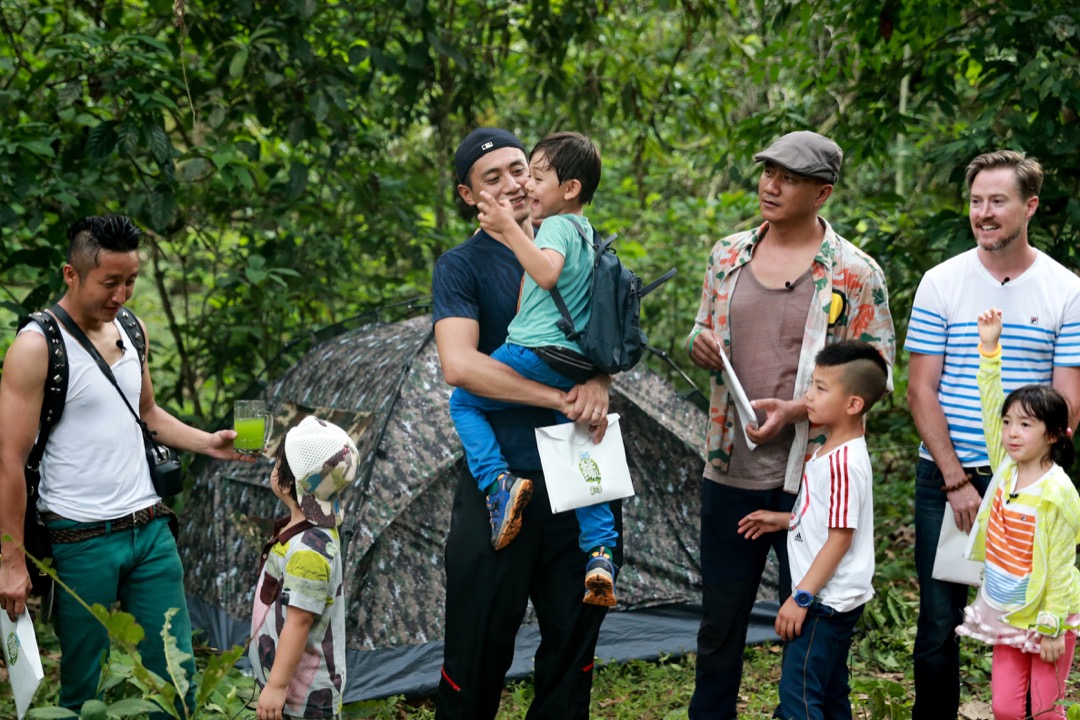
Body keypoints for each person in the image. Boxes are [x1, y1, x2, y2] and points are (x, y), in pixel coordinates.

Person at [0, 215, 253, 712]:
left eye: (131, 280)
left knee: (177, 675)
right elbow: (9, 458)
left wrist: (208, 442)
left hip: (151, 530)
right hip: (79, 539)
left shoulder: (131, 329)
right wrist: (10, 561)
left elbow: (147, 413)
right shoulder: (37, 346)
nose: (121, 295)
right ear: (71, 274)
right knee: (82, 687)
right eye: (109, 282)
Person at [685, 130, 895, 719]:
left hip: (812, 476)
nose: (771, 186)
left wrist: (798, 409)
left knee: (811, 630)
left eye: (790, 178)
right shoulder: (727, 255)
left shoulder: (855, 274)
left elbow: (878, 375)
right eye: (768, 172)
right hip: (730, 467)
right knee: (718, 627)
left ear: (822, 192)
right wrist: (699, 345)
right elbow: (704, 328)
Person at [432, 127, 617, 720]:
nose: (513, 183)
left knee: (572, 650)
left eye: (521, 169)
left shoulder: (581, 247)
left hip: (579, 467)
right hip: (503, 480)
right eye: (494, 177)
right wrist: (559, 395)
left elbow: (610, 339)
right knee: (477, 647)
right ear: (468, 194)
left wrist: (598, 382)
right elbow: (460, 366)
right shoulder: (460, 267)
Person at [905, 150, 1080, 719]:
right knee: (938, 623)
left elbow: (1068, 398)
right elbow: (921, 390)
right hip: (947, 480)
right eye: (976, 201)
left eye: (998, 201)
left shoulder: (1065, 289)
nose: (984, 212)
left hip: (1030, 488)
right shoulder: (942, 282)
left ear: (1028, 206)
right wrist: (956, 481)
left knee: (1027, 620)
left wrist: (1026, 475)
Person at [738, 340, 887, 720]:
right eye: (811, 384)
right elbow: (827, 520)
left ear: (853, 404)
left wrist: (800, 597)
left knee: (798, 695)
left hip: (824, 602)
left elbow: (840, 539)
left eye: (821, 388)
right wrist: (784, 520)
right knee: (831, 689)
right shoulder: (830, 451)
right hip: (831, 599)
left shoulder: (843, 463)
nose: (809, 396)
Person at [953, 308, 1080, 720]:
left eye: (1025, 424)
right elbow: (991, 405)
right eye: (1009, 423)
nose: (1011, 432)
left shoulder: (1058, 492)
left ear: (1054, 434)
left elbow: (1062, 564)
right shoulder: (1005, 469)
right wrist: (989, 349)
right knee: (1006, 709)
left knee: (1045, 711)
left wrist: (1053, 626)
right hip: (1007, 611)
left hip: (1047, 616)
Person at [250, 415, 359, 720]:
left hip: (304, 702)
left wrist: (276, 685)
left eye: (277, 464)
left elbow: (299, 622)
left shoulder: (309, 551)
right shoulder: (303, 531)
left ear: (286, 481)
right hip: (289, 692)